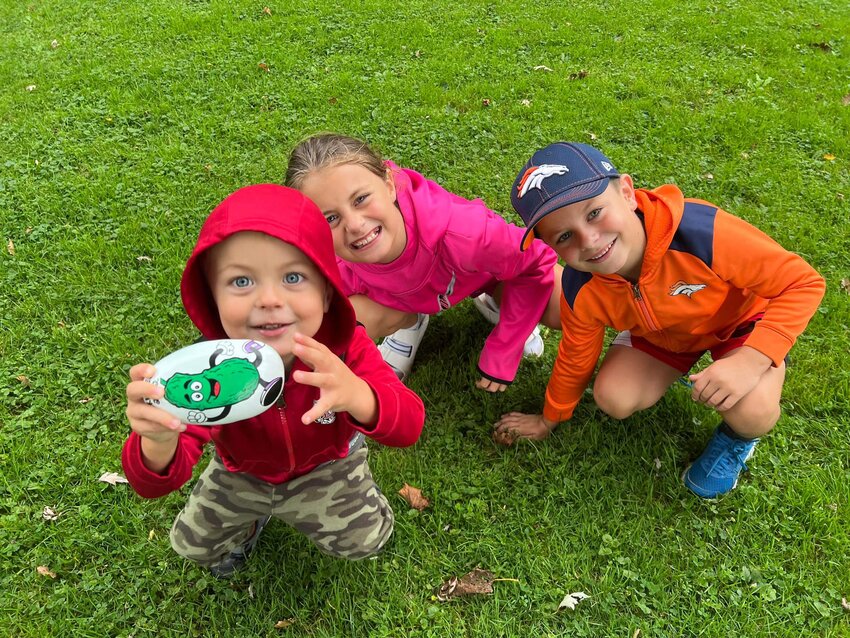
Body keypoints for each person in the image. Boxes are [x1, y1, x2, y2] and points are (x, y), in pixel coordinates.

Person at [122, 184, 425, 577]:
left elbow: (410, 425)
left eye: (294, 277)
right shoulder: (205, 368)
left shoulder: (347, 350)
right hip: (242, 472)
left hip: (326, 467)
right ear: (211, 297)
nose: (268, 299)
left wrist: (358, 394)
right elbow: (153, 484)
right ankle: (251, 522)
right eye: (241, 281)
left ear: (329, 293)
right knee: (190, 546)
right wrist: (158, 440)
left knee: (368, 541)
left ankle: (354, 476)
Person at [494, 142, 825, 498]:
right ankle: (684, 365)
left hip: (741, 326)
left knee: (753, 409)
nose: (589, 240)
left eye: (594, 213)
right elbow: (576, 357)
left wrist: (752, 358)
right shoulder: (581, 289)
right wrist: (550, 417)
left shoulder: (702, 233)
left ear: (626, 192)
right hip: (661, 336)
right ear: (551, 247)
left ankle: (737, 439)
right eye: (564, 236)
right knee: (613, 398)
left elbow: (804, 283)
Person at [286, 133, 563, 391]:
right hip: (403, 294)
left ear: (388, 184)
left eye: (360, 199)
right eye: (330, 218)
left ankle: (499, 301)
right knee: (331, 322)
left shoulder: (467, 233)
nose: (355, 225)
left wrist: (507, 343)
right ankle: (409, 321)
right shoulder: (326, 258)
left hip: (487, 272)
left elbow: (538, 261)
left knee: (565, 303)